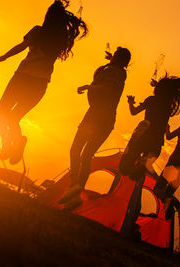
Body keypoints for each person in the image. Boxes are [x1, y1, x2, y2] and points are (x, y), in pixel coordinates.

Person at [0, 0, 88, 164]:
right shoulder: (61, 39)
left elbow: (22, 46)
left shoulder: (38, 31)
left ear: (48, 16)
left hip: (22, 78)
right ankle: (16, 143)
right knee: (13, 118)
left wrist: (3, 57)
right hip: (39, 85)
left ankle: (9, 143)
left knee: (0, 114)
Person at [117, 73, 180, 235]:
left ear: (159, 90)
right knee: (140, 177)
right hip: (156, 145)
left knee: (124, 168)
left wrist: (130, 102)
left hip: (142, 136)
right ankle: (142, 166)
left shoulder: (152, 100)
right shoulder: (167, 106)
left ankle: (139, 166)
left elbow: (133, 112)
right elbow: (163, 97)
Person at [58, 47, 132, 207]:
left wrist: (87, 87)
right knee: (87, 156)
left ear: (117, 59)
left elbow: (107, 88)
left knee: (76, 149)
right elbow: (110, 81)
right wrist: (111, 61)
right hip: (107, 119)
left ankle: (74, 186)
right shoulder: (119, 73)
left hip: (96, 116)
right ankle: (76, 194)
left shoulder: (112, 71)